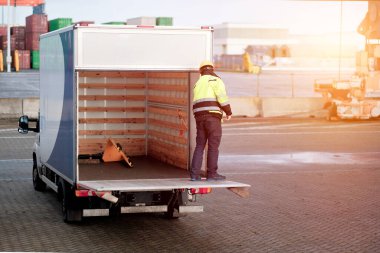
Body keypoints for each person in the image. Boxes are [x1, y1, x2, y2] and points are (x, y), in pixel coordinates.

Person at [190, 60, 232, 181]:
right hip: (212, 118)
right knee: (213, 146)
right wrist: (228, 111)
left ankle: (194, 175)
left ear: (201, 70)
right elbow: (222, 97)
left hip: (199, 118)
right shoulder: (215, 80)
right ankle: (212, 174)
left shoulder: (197, 83)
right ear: (212, 69)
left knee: (199, 146)